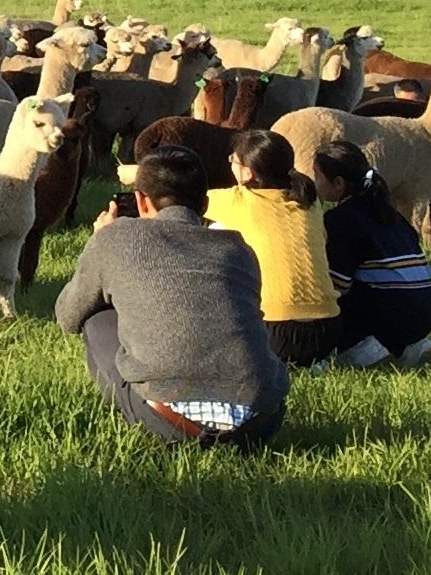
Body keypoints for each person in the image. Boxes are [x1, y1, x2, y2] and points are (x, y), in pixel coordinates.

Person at [54, 143, 286, 449]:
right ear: (204, 203)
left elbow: (68, 316)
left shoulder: (115, 238)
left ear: (141, 200)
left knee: (96, 318)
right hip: (259, 424)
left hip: (170, 422)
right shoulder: (238, 248)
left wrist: (98, 241)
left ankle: (138, 417)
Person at [207, 127, 350, 367]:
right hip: (327, 331)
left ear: (248, 173)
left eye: (233, 160)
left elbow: (183, 195)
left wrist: (136, 174)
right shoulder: (310, 202)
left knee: (215, 232)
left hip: (273, 333)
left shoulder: (236, 201)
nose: (230, 164)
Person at [311, 145, 431, 366]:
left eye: (317, 175)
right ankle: (410, 346)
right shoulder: (391, 214)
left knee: (326, 290)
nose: (314, 183)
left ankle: (363, 350)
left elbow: (336, 286)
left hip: (393, 315)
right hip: (424, 312)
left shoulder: (340, 219)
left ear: (338, 183)